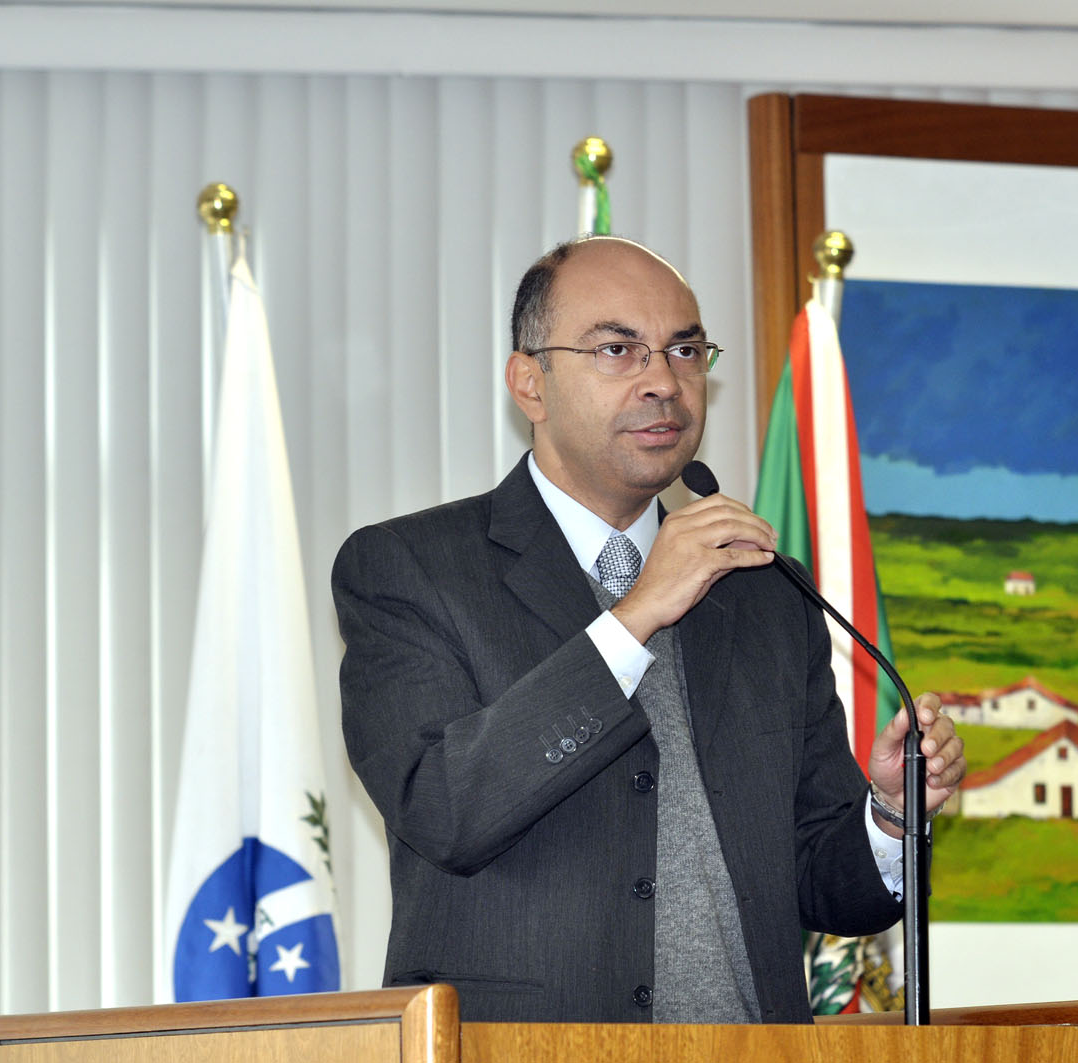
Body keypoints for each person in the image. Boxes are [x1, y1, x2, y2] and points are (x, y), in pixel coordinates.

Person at [332, 235, 965, 1024]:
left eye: (686, 349)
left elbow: (822, 884)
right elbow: (445, 811)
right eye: (617, 349)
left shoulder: (766, 592)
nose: (663, 380)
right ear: (529, 382)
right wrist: (635, 616)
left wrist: (890, 812)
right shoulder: (409, 568)